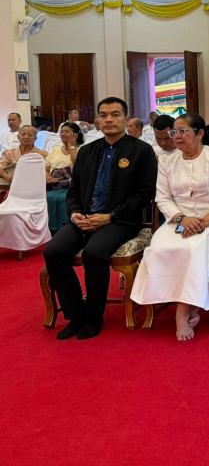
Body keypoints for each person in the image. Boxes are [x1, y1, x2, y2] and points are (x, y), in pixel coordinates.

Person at [43, 97, 157, 340]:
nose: (109, 120)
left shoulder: (141, 151)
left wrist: (110, 216)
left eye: (115, 115)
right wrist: (74, 213)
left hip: (121, 221)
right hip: (84, 218)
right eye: (103, 115)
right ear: (97, 120)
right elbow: (74, 191)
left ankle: (94, 318)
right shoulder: (87, 152)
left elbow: (144, 194)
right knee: (53, 251)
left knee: (94, 253)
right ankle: (76, 315)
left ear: (126, 119)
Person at [131, 114, 209, 341]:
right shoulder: (168, 162)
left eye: (182, 131)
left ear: (200, 133)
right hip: (179, 220)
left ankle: (183, 309)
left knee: (193, 249)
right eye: (174, 132)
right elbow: (162, 198)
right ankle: (184, 302)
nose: (177, 136)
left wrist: (204, 222)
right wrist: (182, 219)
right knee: (158, 248)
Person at [45, 122, 83, 233]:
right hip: (53, 184)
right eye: (61, 132)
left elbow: (78, 165)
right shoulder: (55, 150)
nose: (63, 134)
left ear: (76, 134)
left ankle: (65, 230)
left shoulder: (82, 149)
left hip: (71, 184)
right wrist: (48, 177)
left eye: (67, 132)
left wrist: (71, 146)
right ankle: (49, 230)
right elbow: (46, 168)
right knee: (46, 198)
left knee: (63, 198)